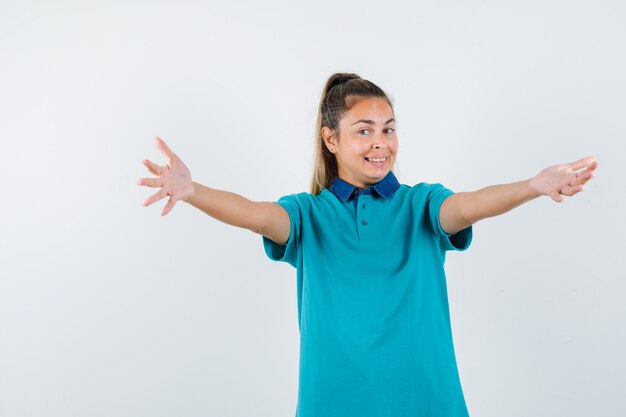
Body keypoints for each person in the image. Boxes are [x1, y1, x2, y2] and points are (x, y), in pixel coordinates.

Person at [137, 73, 598, 417]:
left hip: (427, 401)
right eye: (364, 130)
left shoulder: (422, 204)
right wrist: (194, 192)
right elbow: (255, 213)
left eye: (388, 128)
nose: (380, 143)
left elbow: (468, 207)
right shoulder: (307, 214)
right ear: (331, 139)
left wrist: (532, 186)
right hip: (333, 403)